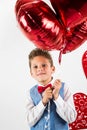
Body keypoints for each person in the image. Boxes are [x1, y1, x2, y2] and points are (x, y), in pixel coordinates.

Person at [26, 48, 77, 130]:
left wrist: (57, 97)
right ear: (31, 73)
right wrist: (43, 102)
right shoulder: (30, 93)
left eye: (44, 65)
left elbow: (71, 118)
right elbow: (29, 121)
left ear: (52, 69)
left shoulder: (64, 88)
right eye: (35, 67)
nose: (40, 69)